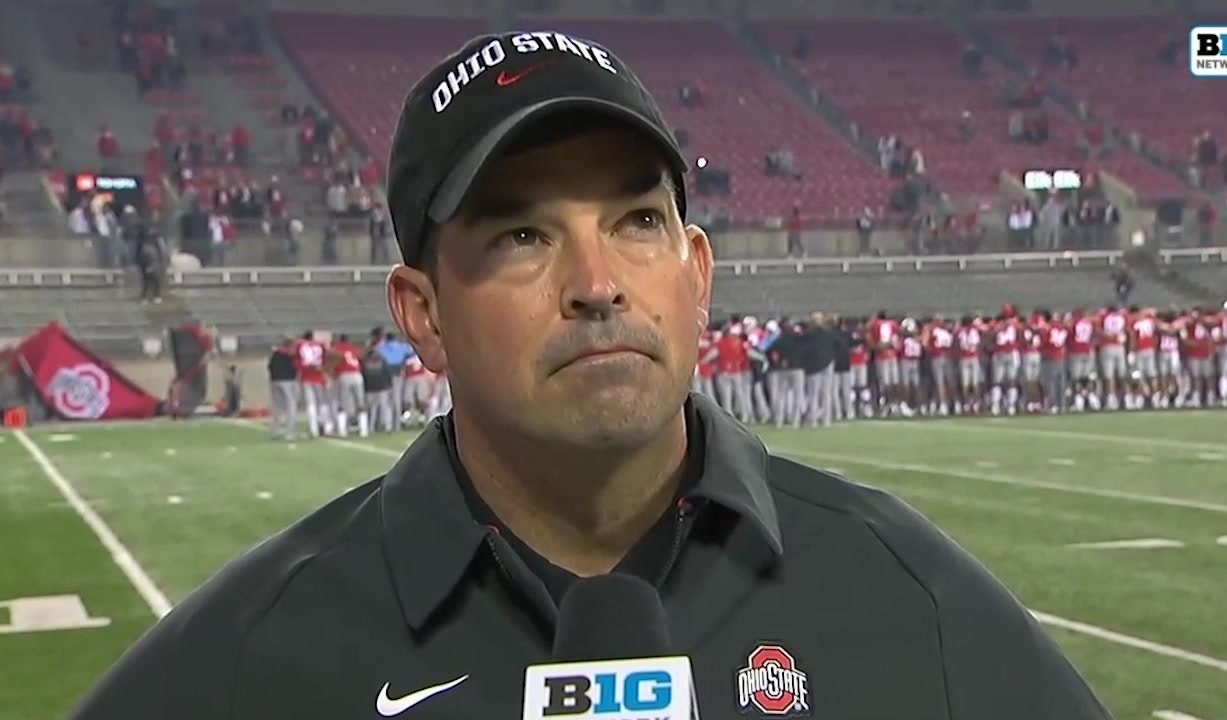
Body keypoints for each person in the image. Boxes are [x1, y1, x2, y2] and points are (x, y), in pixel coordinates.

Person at [68, 31, 1113, 720]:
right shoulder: (252, 658)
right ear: (421, 314)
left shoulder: (907, 591)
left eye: (637, 221)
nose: (598, 283)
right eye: (523, 234)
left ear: (696, 276)